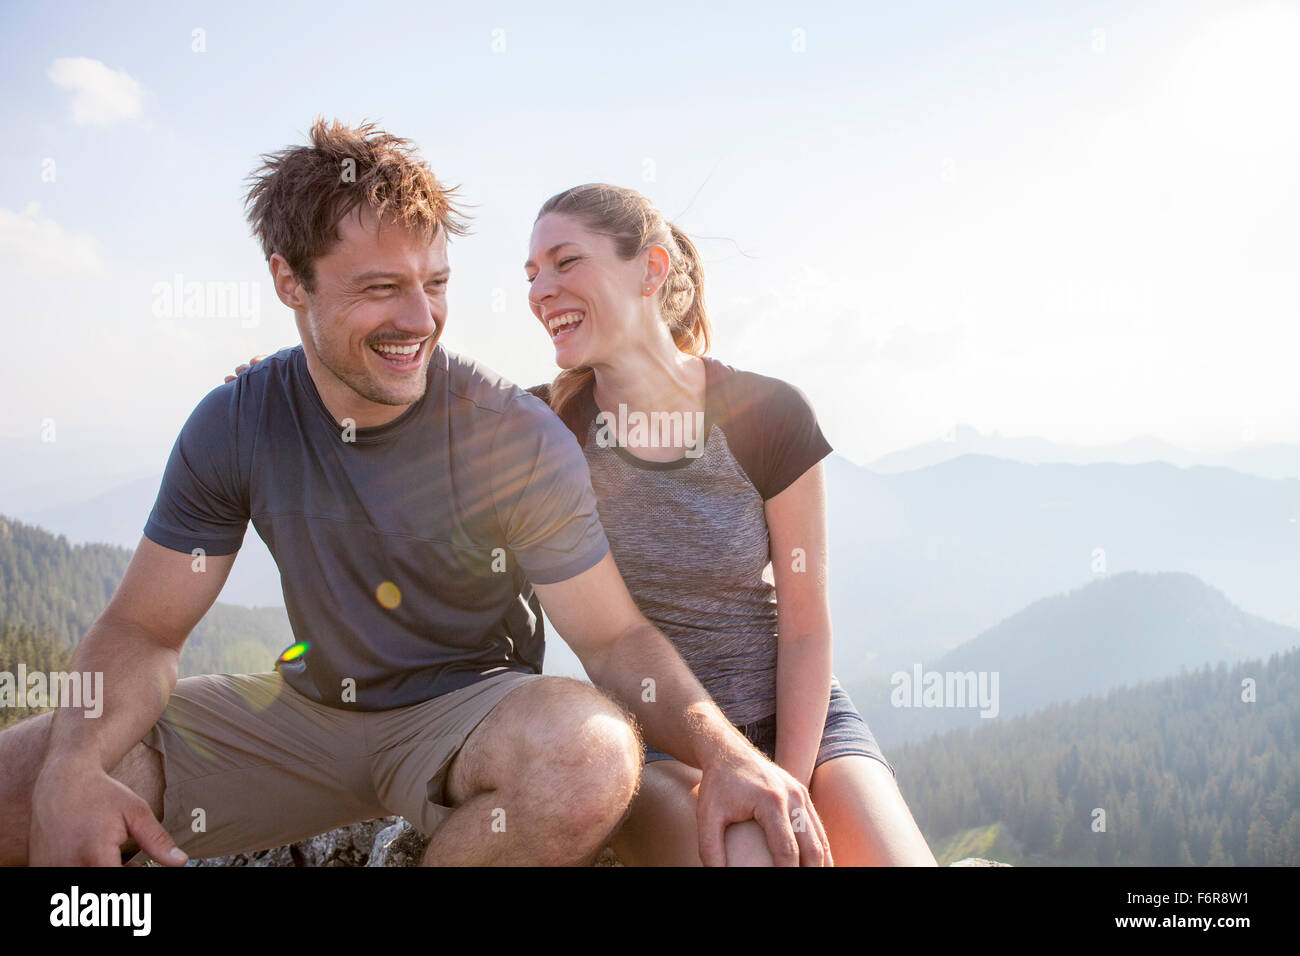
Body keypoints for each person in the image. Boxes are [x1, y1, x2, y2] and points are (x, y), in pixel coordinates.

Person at [0, 120, 833, 868]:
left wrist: (725, 756)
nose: (421, 319)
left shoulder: (512, 432)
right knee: (27, 782)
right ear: (291, 283)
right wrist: (74, 770)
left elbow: (614, 640)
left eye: (435, 283)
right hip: (303, 710)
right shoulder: (236, 420)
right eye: (378, 288)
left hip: (472, 714)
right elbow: (143, 629)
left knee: (587, 754)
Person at [522, 183, 938, 865]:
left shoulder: (768, 413)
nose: (540, 289)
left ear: (650, 270)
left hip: (802, 722)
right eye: (532, 272)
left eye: (565, 262)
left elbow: (806, 627)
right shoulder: (549, 431)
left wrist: (789, 787)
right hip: (659, 743)